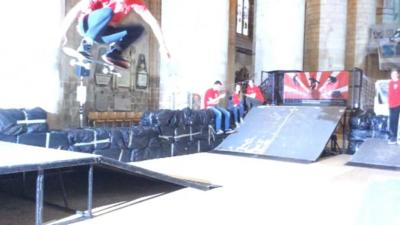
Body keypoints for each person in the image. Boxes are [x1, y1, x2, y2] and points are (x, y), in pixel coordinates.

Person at [61, 0, 170, 69]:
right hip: (86, 27)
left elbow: (152, 21)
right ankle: (84, 46)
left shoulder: (134, 1)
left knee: (139, 30)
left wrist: (163, 45)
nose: (123, 4)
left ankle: (114, 53)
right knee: (108, 12)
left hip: (102, 34)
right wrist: (62, 33)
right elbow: (75, 10)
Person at [388, 68, 400, 144]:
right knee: (392, 122)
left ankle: (398, 138)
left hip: (398, 104)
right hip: (391, 106)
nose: (393, 75)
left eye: (395, 74)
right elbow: (390, 95)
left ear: (398, 75)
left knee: (398, 122)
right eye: (392, 74)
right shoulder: (390, 83)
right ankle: (393, 137)